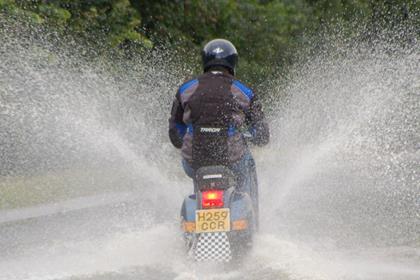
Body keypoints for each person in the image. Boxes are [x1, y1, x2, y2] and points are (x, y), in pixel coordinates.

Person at [168, 39, 269, 218]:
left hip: (194, 163)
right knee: (248, 162)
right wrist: (249, 135)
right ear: (232, 63)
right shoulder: (243, 91)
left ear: (205, 61)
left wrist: (188, 137)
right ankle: (250, 213)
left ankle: (200, 211)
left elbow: (175, 133)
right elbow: (262, 135)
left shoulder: (186, 89)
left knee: (197, 168)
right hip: (232, 160)